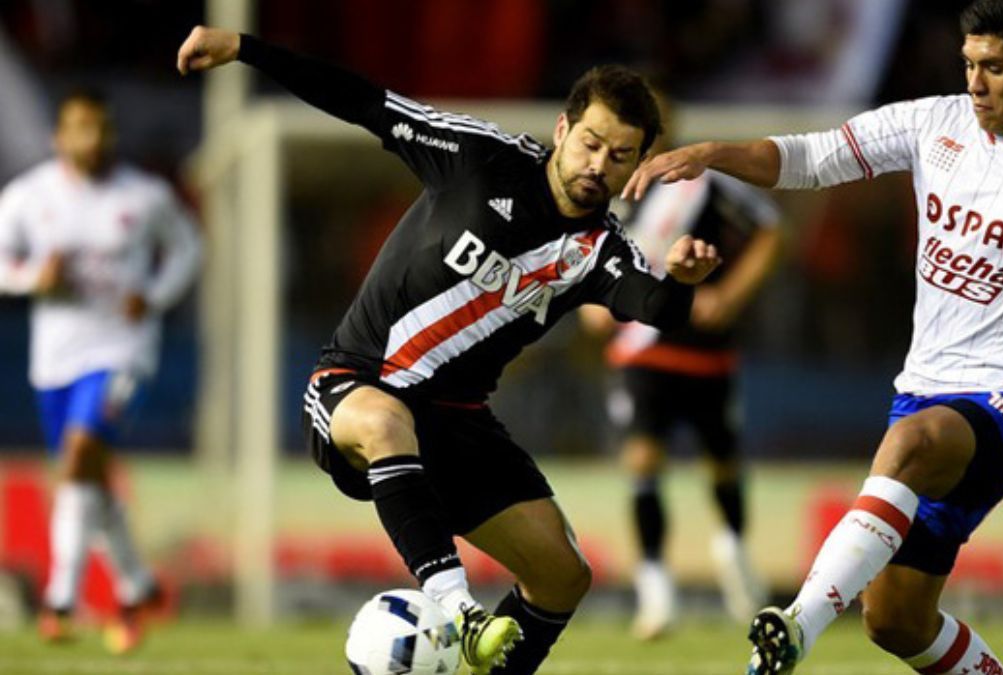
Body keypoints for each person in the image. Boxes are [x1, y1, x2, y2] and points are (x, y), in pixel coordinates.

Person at [622, 1, 1003, 673]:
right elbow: (814, 156)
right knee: (896, 619)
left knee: (910, 443)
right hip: (923, 395)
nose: (976, 83)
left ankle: (794, 628)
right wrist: (713, 155)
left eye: (995, 68)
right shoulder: (934, 123)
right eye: (969, 65)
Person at [176, 26, 720, 675]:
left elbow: (653, 307)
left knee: (563, 575)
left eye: (620, 155)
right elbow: (363, 101)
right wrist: (245, 48)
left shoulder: (601, 251)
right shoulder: (476, 154)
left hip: (457, 420)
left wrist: (683, 282)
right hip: (354, 383)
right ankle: (459, 611)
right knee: (384, 420)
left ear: (637, 166)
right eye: (592, 143)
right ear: (563, 129)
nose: (598, 165)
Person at [0, 89, 203, 653]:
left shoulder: (145, 196)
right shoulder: (28, 197)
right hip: (55, 358)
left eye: (100, 129)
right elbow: (3, 262)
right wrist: (30, 279)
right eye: (80, 129)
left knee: (81, 454)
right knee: (85, 478)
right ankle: (136, 586)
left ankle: (59, 600)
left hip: (123, 351)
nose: (92, 140)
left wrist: (156, 295)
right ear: (58, 137)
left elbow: (188, 248)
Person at [580, 90, 782, 640]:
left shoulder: (706, 183)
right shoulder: (613, 197)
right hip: (642, 350)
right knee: (643, 459)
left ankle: (734, 555)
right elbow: (586, 265)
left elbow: (769, 230)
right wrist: (592, 310)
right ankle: (655, 589)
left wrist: (732, 295)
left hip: (706, 348)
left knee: (723, 462)